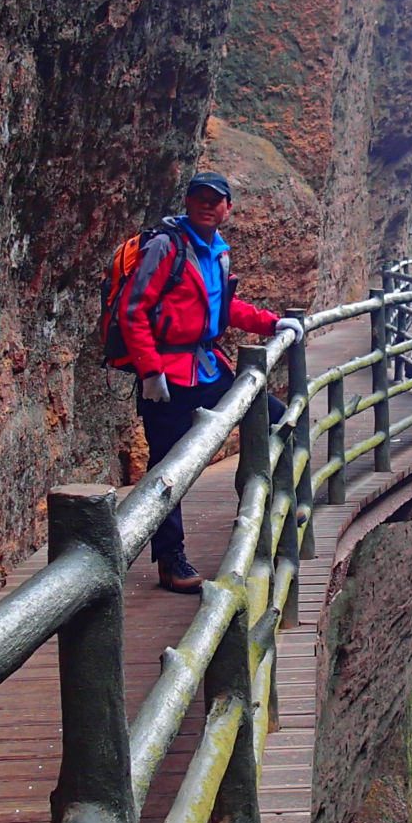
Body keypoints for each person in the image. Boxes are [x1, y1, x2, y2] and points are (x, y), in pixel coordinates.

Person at [119, 171, 301, 593]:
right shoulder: (166, 247)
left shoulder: (217, 252)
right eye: (198, 197)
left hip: (207, 367)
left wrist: (272, 323)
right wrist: (149, 372)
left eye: (215, 199)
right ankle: (170, 559)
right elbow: (133, 311)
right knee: (169, 469)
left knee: (275, 420)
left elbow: (224, 306)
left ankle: (272, 501)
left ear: (227, 208)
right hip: (166, 376)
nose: (206, 204)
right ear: (187, 201)